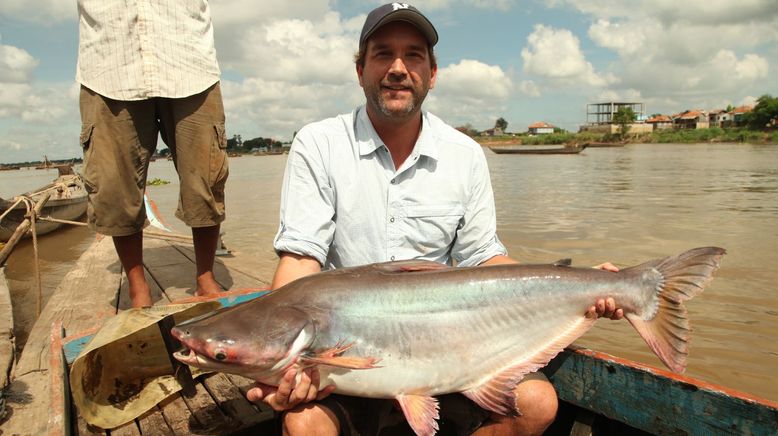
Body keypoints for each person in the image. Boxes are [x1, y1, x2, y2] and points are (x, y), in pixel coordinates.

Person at [247, 3, 623, 435]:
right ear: (360, 69)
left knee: (537, 404)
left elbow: (484, 258)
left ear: (432, 72)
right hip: (346, 350)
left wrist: (589, 286)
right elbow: (300, 260)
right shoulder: (318, 145)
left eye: (414, 55)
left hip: (448, 344)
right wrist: (285, 360)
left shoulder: (464, 154)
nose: (398, 68)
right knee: (304, 423)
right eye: (383, 54)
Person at [76, 0, 229, 307]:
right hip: (109, 64)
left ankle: (205, 276)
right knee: (113, 186)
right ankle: (138, 288)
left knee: (205, 176)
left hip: (188, 59)